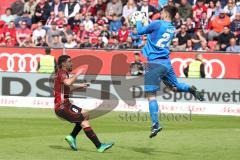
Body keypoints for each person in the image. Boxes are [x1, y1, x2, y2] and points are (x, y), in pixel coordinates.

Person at [135, 5, 204, 138]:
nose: (160, 13)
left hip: (154, 63)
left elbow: (140, 31)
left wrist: (138, 19)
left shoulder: (157, 23)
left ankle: (155, 124)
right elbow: (153, 32)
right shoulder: (171, 28)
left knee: (151, 95)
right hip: (166, 62)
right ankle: (190, 89)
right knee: (175, 86)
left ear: (165, 13)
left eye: (161, 11)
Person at [54, 55, 114, 152]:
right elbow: (68, 83)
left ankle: (72, 136)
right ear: (63, 64)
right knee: (84, 121)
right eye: (69, 61)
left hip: (65, 104)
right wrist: (77, 74)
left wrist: (81, 85)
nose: (71, 63)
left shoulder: (62, 73)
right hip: (62, 106)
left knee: (85, 113)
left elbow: (69, 87)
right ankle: (99, 146)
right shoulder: (62, 73)